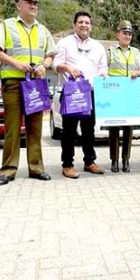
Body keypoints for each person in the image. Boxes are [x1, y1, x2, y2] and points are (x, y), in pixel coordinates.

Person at [0, 0, 56, 186]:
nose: (33, 5)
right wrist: (16, 63)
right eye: (28, 2)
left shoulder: (43, 30)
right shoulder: (7, 25)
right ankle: (8, 170)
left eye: (35, 2)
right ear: (19, 5)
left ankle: (36, 168)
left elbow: (50, 55)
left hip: (35, 84)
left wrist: (45, 66)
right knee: (12, 128)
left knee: (35, 128)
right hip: (13, 83)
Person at [54, 11, 107, 179]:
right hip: (71, 92)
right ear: (74, 24)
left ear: (91, 26)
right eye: (81, 22)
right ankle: (67, 165)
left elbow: (103, 67)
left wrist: (103, 74)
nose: (84, 25)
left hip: (90, 93)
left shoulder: (98, 47)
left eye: (87, 22)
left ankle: (89, 162)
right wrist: (68, 68)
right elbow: (55, 64)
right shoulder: (64, 43)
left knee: (88, 130)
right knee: (68, 131)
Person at [106, 20, 140, 173]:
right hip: (115, 94)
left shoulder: (135, 52)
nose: (127, 36)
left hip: (130, 95)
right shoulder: (110, 50)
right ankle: (114, 160)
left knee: (129, 128)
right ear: (118, 34)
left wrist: (138, 72)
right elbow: (104, 69)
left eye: (129, 34)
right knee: (114, 128)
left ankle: (126, 160)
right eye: (124, 33)